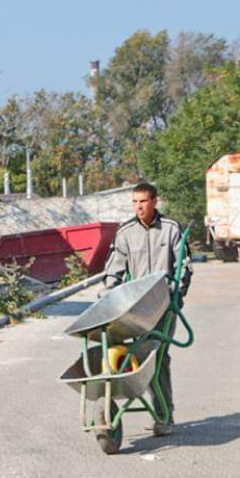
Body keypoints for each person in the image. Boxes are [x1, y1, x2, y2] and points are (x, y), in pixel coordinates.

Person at [102, 181, 192, 435]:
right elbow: (113, 270)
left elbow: (184, 267)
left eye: (143, 201)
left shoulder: (171, 229)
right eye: (135, 202)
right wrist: (108, 299)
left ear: (154, 202)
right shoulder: (125, 232)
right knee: (138, 356)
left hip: (164, 306)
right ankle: (141, 408)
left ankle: (164, 415)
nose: (138, 207)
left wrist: (176, 295)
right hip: (136, 309)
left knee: (157, 356)